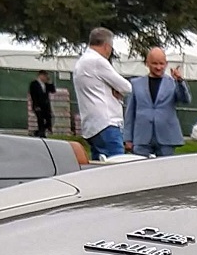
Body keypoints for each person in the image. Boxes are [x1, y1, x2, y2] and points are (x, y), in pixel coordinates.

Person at [73, 27, 131, 158]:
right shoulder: (98, 61)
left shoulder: (81, 62)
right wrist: (116, 89)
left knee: (99, 166)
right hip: (107, 123)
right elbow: (126, 87)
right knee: (117, 166)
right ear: (106, 46)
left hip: (91, 126)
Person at [122, 46, 189, 158]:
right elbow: (130, 113)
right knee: (139, 170)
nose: (158, 67)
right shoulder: (136, 84)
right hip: (142, 138)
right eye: (154, 63)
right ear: (147, 63)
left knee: (166, 171)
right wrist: (128, 138)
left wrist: (180, 81)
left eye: (161, 64)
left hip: (166, 137)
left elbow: (185, 100)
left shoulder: (173, 83)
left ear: (166, 64)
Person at [28, 69, 56, 138]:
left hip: (46, 106)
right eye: (44, 76)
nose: (45, 77)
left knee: (49, 119)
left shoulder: (46, 84)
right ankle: (41, 133)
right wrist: (36, 105)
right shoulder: (34, 84)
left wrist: (50, 82)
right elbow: (33, 95)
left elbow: (53, 90)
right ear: (40, 76)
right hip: (38, 105)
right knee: (40, 119)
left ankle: (38, 132)